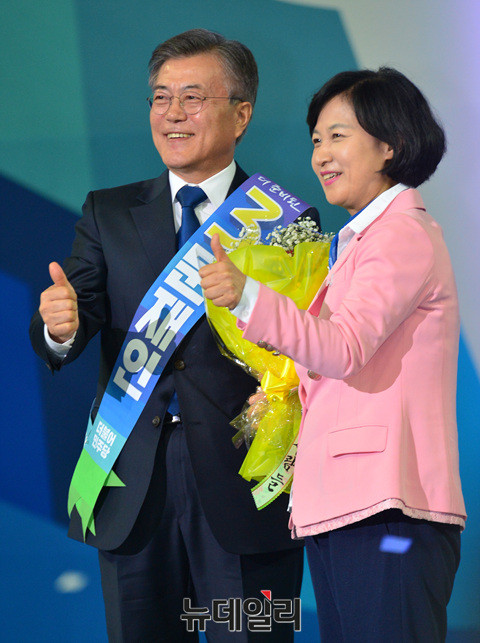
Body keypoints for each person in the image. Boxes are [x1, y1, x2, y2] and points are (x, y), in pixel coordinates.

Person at [30, 29, 317, 642]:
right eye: (161, 98)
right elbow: (75, 314)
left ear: (241, 114)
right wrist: (59, 327)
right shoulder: (109, 212)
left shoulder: (285, 219)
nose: (173, 113)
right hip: (133, 486)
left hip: (245, 485)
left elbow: (311, 347)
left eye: (193, 97)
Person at [200, 67, 466, 642]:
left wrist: (248, 295)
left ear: (390, 144)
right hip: (346, 505)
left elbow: (343, 348)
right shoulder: (357, 242)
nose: (321, 154)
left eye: (338, 136)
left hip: (388, 509)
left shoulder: (401, 233)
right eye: (317, 139)